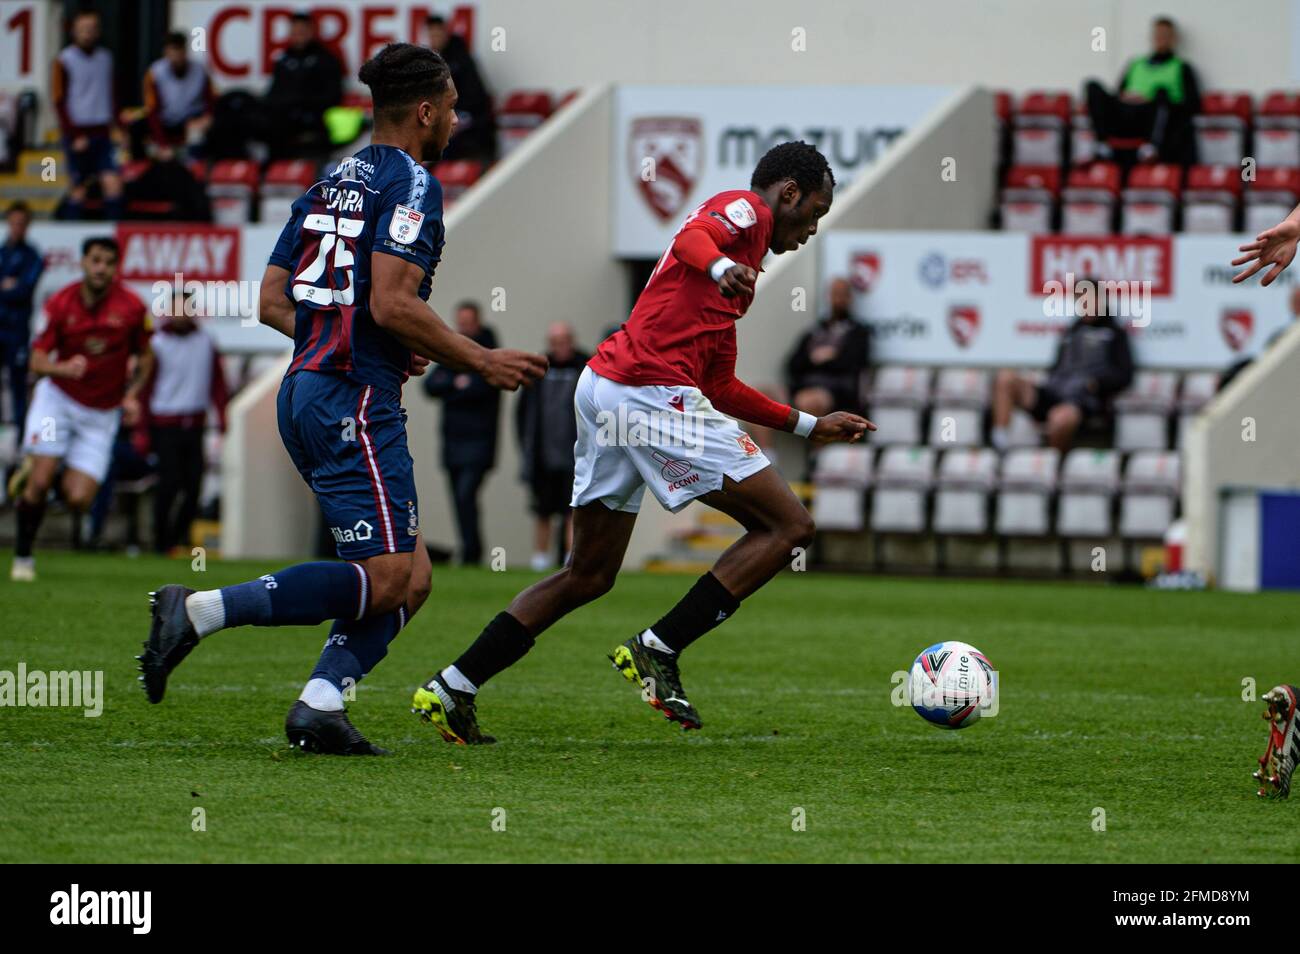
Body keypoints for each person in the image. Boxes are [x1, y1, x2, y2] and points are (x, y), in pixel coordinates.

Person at [138, 43, 546, 755]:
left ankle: (320, 706)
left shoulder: (332, 180)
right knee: (386, 578)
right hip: (352, 400)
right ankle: (199, 610)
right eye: (450, 107)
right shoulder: (413, 183)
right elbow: (391, 303)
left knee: (412, 578)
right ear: (425, 111)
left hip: (308, 388)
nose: (455, 118)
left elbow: (271, 300)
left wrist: (356, 335)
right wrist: (479, 358)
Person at [411, 141, 872, 745]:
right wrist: (717, 266)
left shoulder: (743, 271)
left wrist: (812, 426)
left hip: (604, 387)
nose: (813, 227)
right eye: (814, 210)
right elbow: (690, 241)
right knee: (789, 528)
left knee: (588, 573)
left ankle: (452, 687)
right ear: (788, 193)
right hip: (646, 394)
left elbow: (721, 385)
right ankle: (659, 648)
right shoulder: (745, 212)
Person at [8, 237, 153, 581]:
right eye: (95, 260)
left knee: (79, 499)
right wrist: (61, 369)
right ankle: (24, 558)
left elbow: (146, 356)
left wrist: (132, 394)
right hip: (57, 400)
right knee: (40, 483)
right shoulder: (60, 303)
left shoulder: (132, 307)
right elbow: (36, 360)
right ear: (83, 263)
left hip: (102, 412)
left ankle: (47, 465)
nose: (101, 268)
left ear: (116, 267)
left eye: (108, 262)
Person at [991, 278, 1133, 452]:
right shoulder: (1071, 332)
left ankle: (1052, 464)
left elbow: (1124, 375)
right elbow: (1056, 367)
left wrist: (1095, 383)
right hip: (1053, 392)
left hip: (1082, 400)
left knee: (1059, 418)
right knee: (1006, 378)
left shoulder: (1114, 334)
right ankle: (999, 442)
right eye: (1079, 298)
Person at [142, 290, 229, 554]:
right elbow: (145, 387)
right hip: (164, 424)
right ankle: (161, 541)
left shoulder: (205, 341)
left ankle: (179, 538)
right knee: (168, 484)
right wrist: (142, 431)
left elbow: (217, 382)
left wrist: (222, 414)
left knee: (194, 486)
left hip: (194, 425)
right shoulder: (156, 342)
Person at [422, 301, 500, 565]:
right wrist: (457, 386)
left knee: (467, 495)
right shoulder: (451, 352)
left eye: (468, 322)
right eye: (460, 322)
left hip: (479, 442)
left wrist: (454, 388)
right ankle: (469, 550)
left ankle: (472, 552)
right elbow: (431, 384)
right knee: (459, 498)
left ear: (477, 322)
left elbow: (481, 389)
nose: (463, 327)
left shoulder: (488, 353)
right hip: (452, 442)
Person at [516, 322, 589, 570]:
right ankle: (540, 559)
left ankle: (571, 558)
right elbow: (522, 415)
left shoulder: (586, 369)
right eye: (555, 341)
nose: (560, 346)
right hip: (543, 455)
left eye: (564, 340)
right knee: (543, 510)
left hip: (576, 455)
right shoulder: (538, 370)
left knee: (573, 509)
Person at [1084, 16, 1202, 165]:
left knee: (1161, 92)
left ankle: (1150, 147)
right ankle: (1102, 144)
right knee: (1092, 86)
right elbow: (1118, 92)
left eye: (1165, 35)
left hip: (1153, 115)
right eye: (1158, 35)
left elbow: (1192, 104)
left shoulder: (1181, 67)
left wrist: (1148, 98)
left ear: (1173, 39)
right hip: (1126, 112)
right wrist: (1127, 97)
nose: (1161, 39)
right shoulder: (1136, 64)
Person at [52, 10, 123, 219]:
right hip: (78, 132)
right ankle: (72, 234)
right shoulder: (64, 60)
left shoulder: (106, 58)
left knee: (113, 184)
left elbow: (112, 94)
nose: (88, 34)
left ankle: (112, 237)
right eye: (83, 29)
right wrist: (73, 134)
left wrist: (118, 125)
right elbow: (58, 100)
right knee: (78, 189)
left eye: (92, 29)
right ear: (74, 31)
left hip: (101, 131)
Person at [260, 12, 344, 159]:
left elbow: (333, 96)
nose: (298, 36)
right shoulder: (283, 60)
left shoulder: (326, 60)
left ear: (311, 32)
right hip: (282, 118)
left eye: (302, 32)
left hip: (313, 118)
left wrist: (300, 102)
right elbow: (273, 93)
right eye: (294, 32)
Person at [785, 276, 870, 417]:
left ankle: (815, 438)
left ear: (850, 298)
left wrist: (827, 359)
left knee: (810, 401)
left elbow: (852, 364)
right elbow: (793, 364)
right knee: (763, 394)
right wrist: (815, 358)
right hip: (803, 387)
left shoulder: (858, 332)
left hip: (837, 392)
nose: (838, 299)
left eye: (843, 294)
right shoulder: (815, 330)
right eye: (835, 294)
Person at [0, 202, 44, 457]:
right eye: (13, 222)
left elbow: (23, 290)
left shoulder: (34, 256)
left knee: (19, 386)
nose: (17, 228)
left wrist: (11, 287)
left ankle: (20, 438)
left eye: (22, 223)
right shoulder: (2, 252)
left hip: (17, 331)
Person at [425, 13, 496, 162]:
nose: (434, 39)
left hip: (472, 118)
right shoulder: (436, 59)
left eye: (437, 34)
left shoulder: (460, 60)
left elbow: (473, 96)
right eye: (431, 35)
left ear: (445, 33)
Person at [143, 31, 215, 159]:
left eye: (179, 51)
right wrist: (163, 144)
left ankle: (195, 167)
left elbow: (211, 101)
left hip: (190, 122)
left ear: (185, 51)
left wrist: (207, 118)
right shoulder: (155, 73)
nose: (176, 58)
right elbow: (152, 111)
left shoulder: (199, 70)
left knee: (198, 132)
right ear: (165, 53)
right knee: (139, 131)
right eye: (172, 52)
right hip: (165, 125)